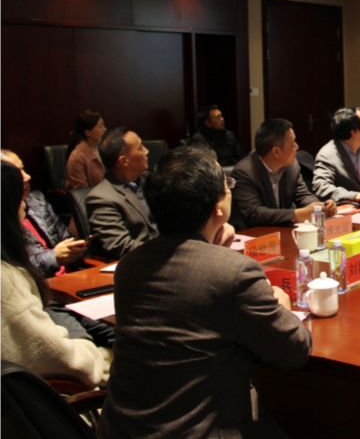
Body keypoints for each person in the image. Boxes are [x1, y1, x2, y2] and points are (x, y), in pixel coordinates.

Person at [98, 146, 311, 439]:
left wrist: (211, 249)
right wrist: (282, 305)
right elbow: (295, 351)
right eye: (227, 186)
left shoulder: (129, 265)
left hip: (123, 430)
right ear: (217, 207)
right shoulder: (234, 272)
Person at [0, 162, 111, 388]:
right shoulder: (7, 281)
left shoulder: (38, 202)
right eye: (18, 199)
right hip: (59, 393)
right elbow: (68, 362)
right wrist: (99, 355)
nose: (24, 205)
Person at [231, 118, 335, 229]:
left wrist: (321, 207)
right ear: (276, 151)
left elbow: (303, 195)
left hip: (282, 230)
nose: (297, 147)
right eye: (292, 144)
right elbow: (254, 213)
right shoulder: (244, 172)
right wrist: (296, 215)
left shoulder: (292, 166)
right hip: (256, 234)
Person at [1, 150, 87, 277]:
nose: (27, 177)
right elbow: (15, 269)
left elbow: (66, 237)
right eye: (16, 173)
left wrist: (76, 249)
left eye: (23, 169)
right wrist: (53, 257)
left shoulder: (37, 200)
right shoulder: (4, 219)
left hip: (71, 276)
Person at [86, 127, 159, 259]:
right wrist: (164, 250)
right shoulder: (101, 198)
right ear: (124, 161)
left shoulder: (151, 181)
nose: (146, 151)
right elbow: (120, 246)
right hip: (141, 262)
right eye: (140, 148)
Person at [65, 110, 107, 189]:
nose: (104, 129)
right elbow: (81, 192)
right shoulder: (77, 157)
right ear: (88, 132)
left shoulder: (105, 149)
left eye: (103, 125)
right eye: (100, 127)